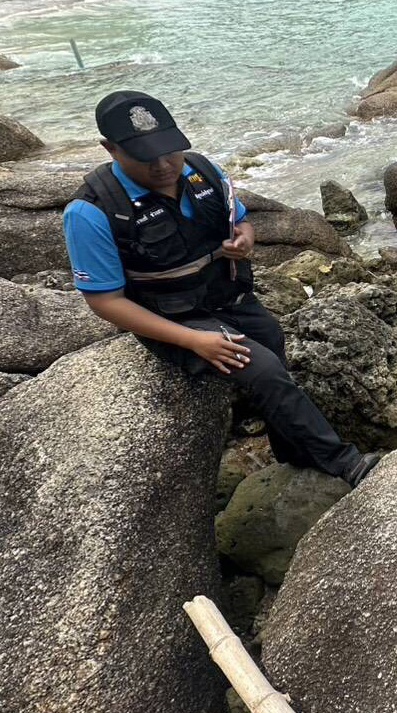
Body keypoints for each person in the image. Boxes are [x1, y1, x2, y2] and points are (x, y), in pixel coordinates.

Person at [61, 90, 379, 487]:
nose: (163, 165)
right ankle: (346, 464)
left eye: (170, 151)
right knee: (259, 367)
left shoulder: (203, 173)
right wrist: (193, 340)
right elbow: (105, 301)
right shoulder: (91, 211)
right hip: (172, 316)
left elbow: (242, 222)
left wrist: (244, 240)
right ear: (110, 149)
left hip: (226, 297)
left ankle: (293, 451)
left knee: (273, 341)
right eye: (146, 156)